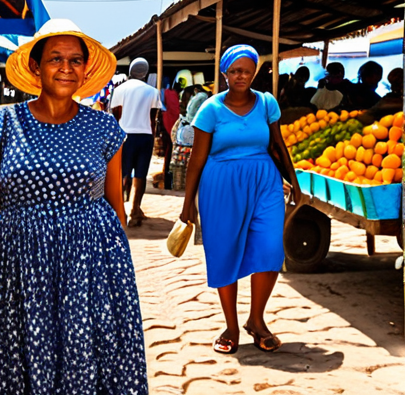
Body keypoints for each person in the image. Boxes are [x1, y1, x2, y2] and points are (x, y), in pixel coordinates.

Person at [0, 19, 148, 394]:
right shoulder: (3, 122)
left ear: (86, 70)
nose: (66, 67)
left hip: (88, 261)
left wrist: (117, 275)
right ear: (35, 66)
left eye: (75, 60)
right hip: (25, 260)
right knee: (26, 349)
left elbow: (115, 206)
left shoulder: (104, 128)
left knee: (83, 350)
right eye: (55, 58)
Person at [180, 44, 300, 355]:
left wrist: (294, 181)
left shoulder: (266, 103)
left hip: (264, 182)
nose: (240, 76)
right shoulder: (211, 109)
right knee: (224, 250)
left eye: (246, 71)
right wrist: (187, 204)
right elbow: (196, 159)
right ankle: (231, 326)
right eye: (234, 71)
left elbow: (277, 145)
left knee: (271, 248)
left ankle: (256, 321)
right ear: (224, 74)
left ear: (255, 72)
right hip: (220, 185)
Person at [111, 57, 162, 226]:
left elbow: (115, 114)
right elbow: (153, 117)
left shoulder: (120, 89)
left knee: (122, 173)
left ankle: (119, 211)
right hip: (145, 135)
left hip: (124, 135)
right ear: (146, 73)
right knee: (140, 175)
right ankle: (135, 209)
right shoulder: (152, 91)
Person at [161, 81, 182, 189]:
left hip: (168, 126)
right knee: (169, 153)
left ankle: (167, 179)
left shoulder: (167, 94)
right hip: (170, 127)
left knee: (168, 154)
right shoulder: (170, 95)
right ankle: (167, 179)